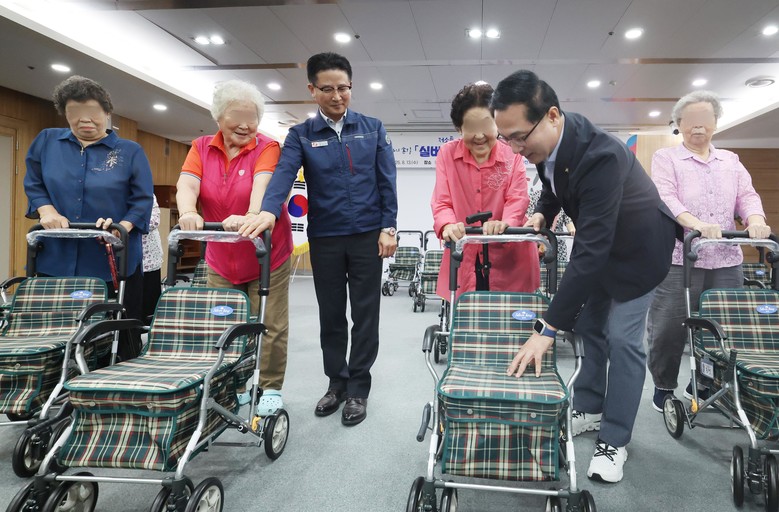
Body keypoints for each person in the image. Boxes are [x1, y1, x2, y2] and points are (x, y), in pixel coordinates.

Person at [493, 70, 680, 484]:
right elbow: (553, 183)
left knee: (622, 340)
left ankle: (615, 439)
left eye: (520, 137)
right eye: (507, 140)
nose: (516, 149)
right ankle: (591, 408)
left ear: (552, 116)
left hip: (640, 254)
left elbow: (589, 252)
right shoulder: (550, 143)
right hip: (604, 249)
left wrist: (547, 328)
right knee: (589, 327)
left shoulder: (601, 156)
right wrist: (543, 212)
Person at [241, 52, 398, 427]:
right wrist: (267, 210)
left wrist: (388, 227)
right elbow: (283, 174)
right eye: (327, 89)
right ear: (312, 90)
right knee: (331, 315)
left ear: (351, 87)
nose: (337, 95)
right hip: (325, 237)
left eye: (343, 88)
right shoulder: (302, 135)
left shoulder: (372, 128)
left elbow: (386, 181)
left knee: (365, 315)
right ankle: (336, 383)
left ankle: (358, 388)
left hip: (367, 237)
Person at [646, 90, 770, 411]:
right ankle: (663, 385)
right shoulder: (666, 158)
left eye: (704, 120)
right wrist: (696, 224)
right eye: (689, 121)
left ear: (715, 122)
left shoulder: (731, 161)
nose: (697, 126)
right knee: (668, 327)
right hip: (680, 258)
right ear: (679, 124)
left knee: (722, 327)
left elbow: (747, 196)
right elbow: (666, 198)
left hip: (726, 259)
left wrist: (756, 220)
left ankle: (704, 382)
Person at [176, 79, 294, 416]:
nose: (245, 126)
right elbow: (187, 184)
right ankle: (235, 384)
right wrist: (188, 212)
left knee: (269, 323)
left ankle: (270, 386)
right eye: (236, 118)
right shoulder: (201, 147)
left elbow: (263, 184)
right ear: (218, 117)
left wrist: (252, 215)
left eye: (251, 119)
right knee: (223, 323)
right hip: (221, 255)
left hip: (266, 252)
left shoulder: (267, 147)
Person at [24, 75, 153, 360]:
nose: (85, 121)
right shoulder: (47, 141)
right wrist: (46, 210)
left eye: (93, 113)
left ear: (107, 112)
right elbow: (33, 182)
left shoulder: (129, 151)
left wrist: (122, 226)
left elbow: (142, 199)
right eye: (76, 113)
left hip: (110, 258)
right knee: (56, 327)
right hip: (56, 254)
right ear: (65, 113)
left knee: (115, 332)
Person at [431, 82, 539, 297]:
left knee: (511, 314)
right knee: (467, 313)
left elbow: (518, 198)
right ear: (459, 129)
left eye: (486, 127)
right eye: (471, 128)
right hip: (465, 251)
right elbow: (442, 201)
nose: (479, 136)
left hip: (510, 254)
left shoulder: (512, 153)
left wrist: (506, 223)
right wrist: (448, 225)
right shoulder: (447, 154)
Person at [141, 194, 163, 324]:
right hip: (122, 255)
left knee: (149, 299)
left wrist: (127, 223)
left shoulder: (148, 194)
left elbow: (154, 221)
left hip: (148, 255)